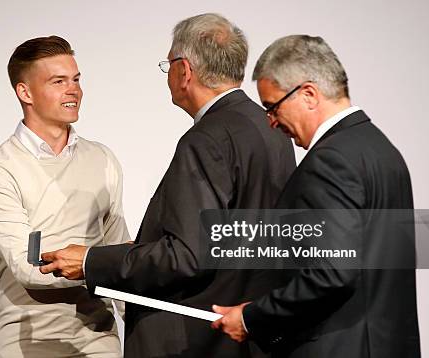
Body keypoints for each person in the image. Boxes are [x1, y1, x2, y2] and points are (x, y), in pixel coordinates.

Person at [40, 14, 295, 357]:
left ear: (185, 70)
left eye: (169, 64)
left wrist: (91, 261)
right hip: (248, 334)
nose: (169, 74)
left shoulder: (206, 139)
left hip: (194, 337)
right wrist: (143, 247)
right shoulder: (270, 127)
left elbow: (187, 256)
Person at [211, 35, 420, 357]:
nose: (271, 121)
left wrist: (253, 317)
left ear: (308, 94)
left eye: (272, 107)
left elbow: (331, 273)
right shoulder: (382, 150)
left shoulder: (330, 159)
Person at [0, 36, 129, 358]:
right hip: (28, 342)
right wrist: (98, 263)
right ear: (25, 92)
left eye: (76, 79)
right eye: (59, 81)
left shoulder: (102, 159)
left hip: (98, 337)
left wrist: (147, 323)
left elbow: (120, 251)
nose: (73, 90)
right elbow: (28, 266)